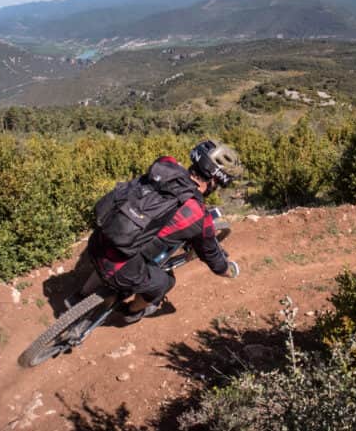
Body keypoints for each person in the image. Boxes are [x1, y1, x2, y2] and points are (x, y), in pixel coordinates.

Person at [73, 139, 243, 324]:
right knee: (164, 282)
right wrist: (228, 271)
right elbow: (212, 256)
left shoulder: (164, 165)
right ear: (213, 181)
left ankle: (81, 295)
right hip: (119, 269)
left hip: (98, 240)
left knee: (121, 245)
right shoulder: (199, 217)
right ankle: (131, 311)